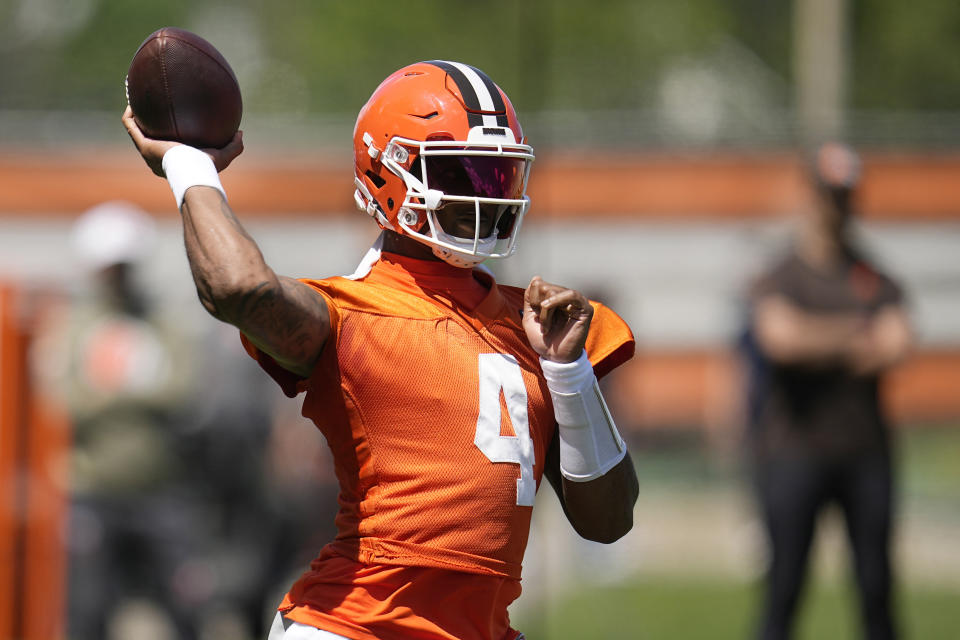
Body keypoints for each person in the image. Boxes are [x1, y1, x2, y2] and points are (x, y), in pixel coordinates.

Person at [122, 60, 639, 640]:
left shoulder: (538, 326)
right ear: (388, 171)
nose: (487, 199)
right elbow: (238, 288)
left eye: (498, 178)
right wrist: (187, 165)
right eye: (463, 176)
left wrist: (568, 372)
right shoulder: (350, 316)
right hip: (354, 627)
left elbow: (609, 521)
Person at [742, 142, 913, 640]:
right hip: (794, 453)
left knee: (877, 591)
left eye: (845, 195)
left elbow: (898, 341)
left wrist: (816, 336)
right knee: (784, 592)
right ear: (809, 195)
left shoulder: (874, 274)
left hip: (866, 455)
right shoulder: (782, 274)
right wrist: (858, 333)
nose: (836, 206)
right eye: (828, 194)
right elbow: (780, 339)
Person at [51, 202, 201, 640]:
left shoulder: (163, 323)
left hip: (160, 488)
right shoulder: (74, 325)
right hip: (90, 489)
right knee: (87, 609)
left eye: (124, 266)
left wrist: (110, 395)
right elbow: (62, 401)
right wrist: (133, 397)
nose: (118, 277)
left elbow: (184, 391)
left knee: (185, 607)